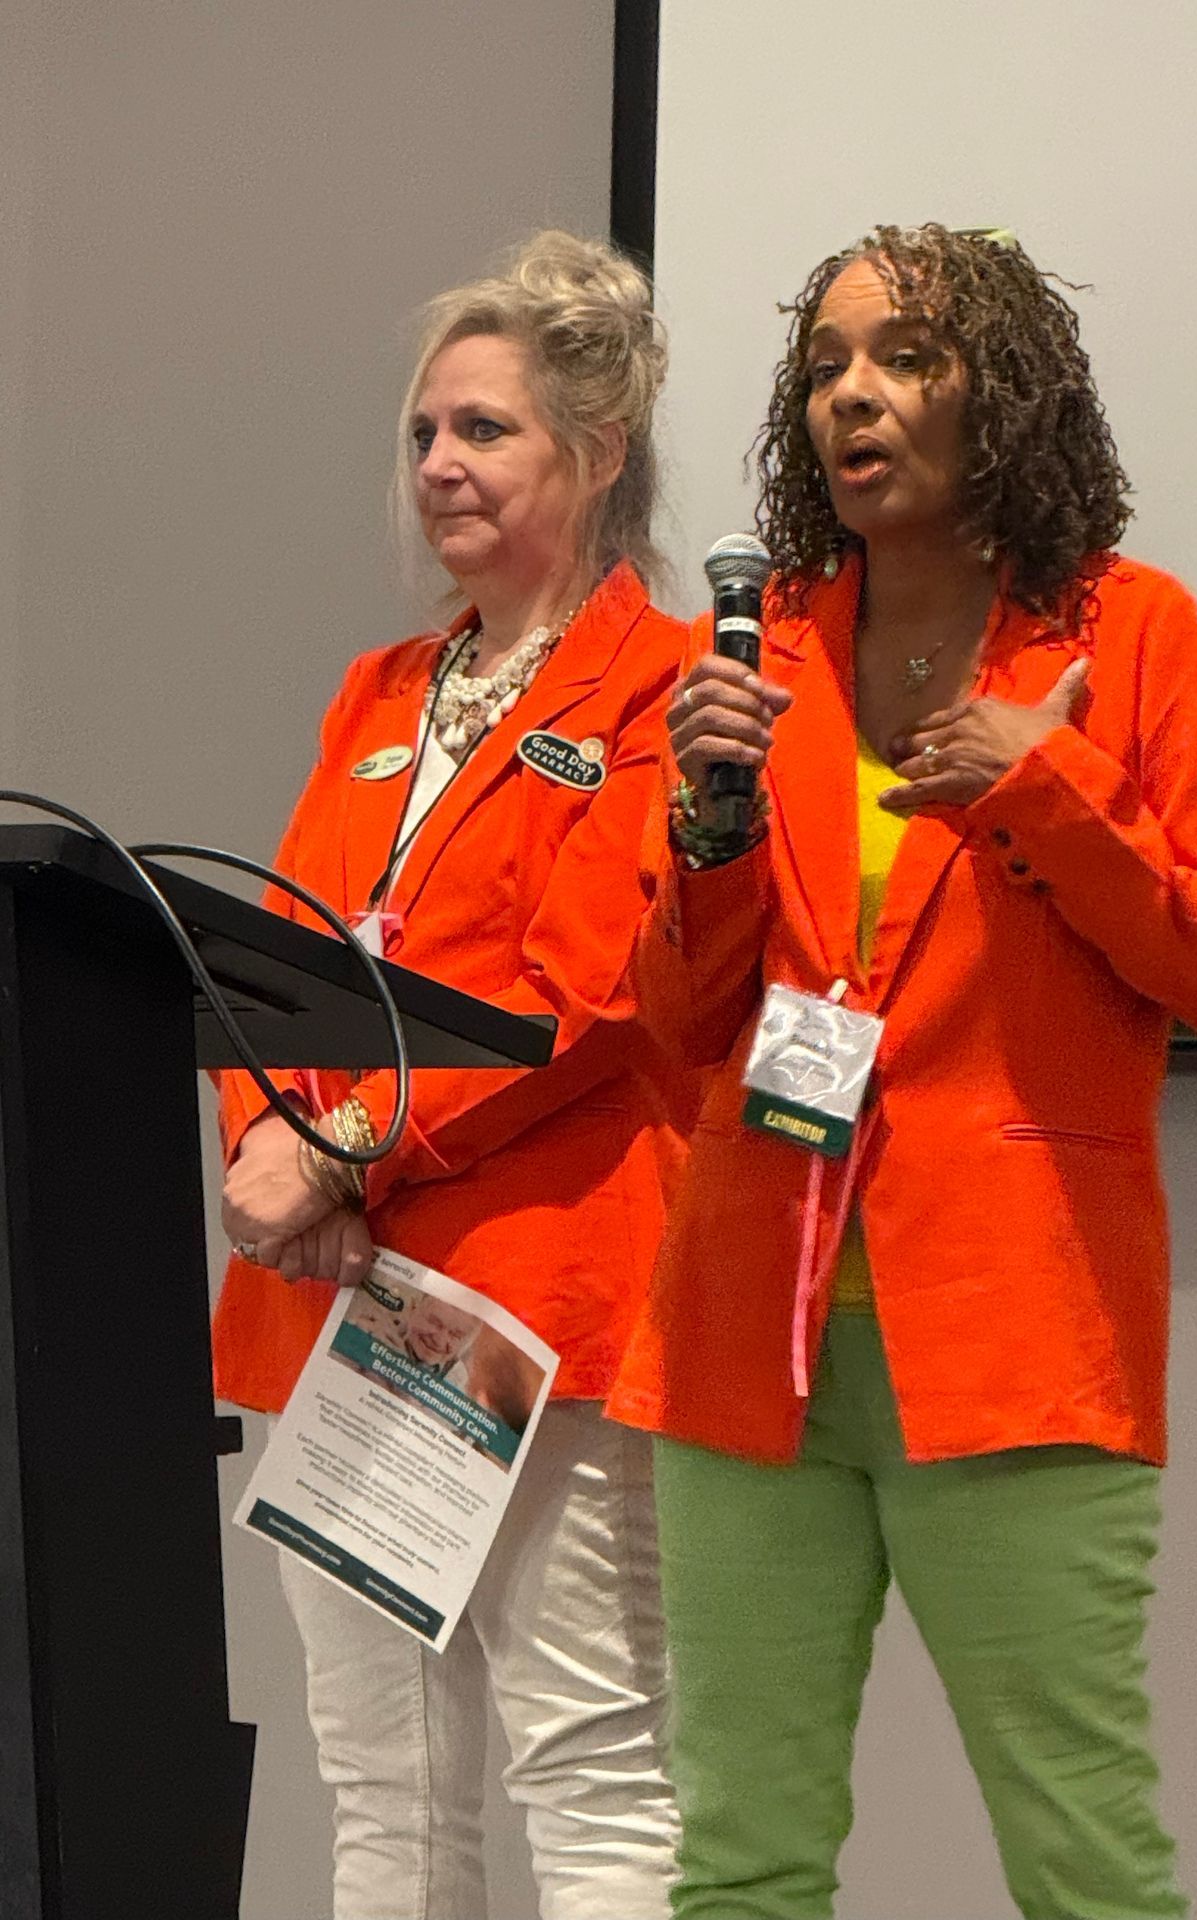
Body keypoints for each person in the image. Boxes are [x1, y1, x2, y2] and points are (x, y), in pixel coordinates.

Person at [610, 223, 1197, 1919]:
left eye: (908, 357)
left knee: (1083, 1855)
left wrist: (1044, 790)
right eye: (827, 364)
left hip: (1010, 1330)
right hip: (744, 1338)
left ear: (1010, 398)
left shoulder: (1130, 638)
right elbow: (685, 1031)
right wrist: (700, 827)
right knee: (738, 1863)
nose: (856, 394)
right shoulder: (757, 660)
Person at [214, 230, 683, 1920]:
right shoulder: (379, 692)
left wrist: (345, 1153)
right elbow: (263, 964)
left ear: (600, 447)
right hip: (333, 1304)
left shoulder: (669, 687)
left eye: (482, 429)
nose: (437, 465)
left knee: (591, 1765)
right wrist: (279, 1163)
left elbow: (585, 991)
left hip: (535, 1297)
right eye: (424, 434)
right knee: (383, 1791)